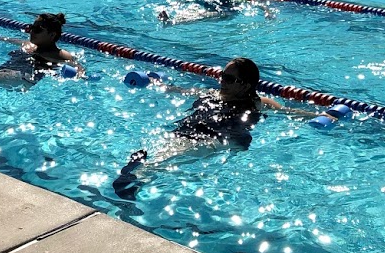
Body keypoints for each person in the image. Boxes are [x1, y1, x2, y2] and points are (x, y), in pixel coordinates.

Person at [113, 57, 284, 199]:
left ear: (246, 85)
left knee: (168, 158)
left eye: (229, 79)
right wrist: (152, 83)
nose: (222, 81)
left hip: (214, 138)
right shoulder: (212, 93)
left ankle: (135, 179)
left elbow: (288, 112)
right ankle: (134, 178)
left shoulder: (257, 102)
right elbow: (180, 91)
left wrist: (309, 115)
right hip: (186, 130)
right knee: (165, 153)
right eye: (223, 75)